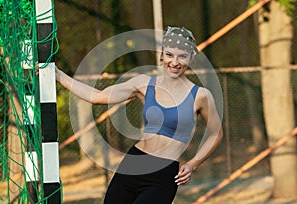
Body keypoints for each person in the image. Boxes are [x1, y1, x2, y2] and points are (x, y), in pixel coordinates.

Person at [55, 26, 223, 204]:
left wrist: (192, 164)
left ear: (191, 58)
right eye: (169, 55)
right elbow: (97, 96)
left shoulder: (200, 95)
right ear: (161, 55)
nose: (175, 62)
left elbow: (216, 133)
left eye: (182, 56)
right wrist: (58, 75)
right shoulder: (144, 84)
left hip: (163, 176)